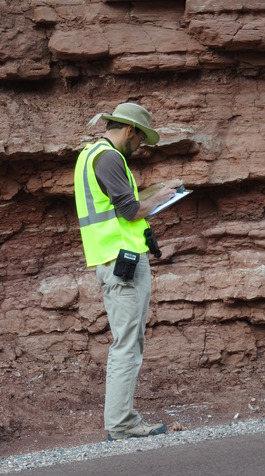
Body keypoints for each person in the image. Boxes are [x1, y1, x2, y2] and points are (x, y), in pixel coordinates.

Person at [74, 102, 183, 441]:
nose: (140, 147)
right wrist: (162, 197)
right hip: (123, 264)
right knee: (127, 345)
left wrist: (151, 193)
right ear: (130, 130)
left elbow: (117, 207)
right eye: (141, 140)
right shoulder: (110, 157)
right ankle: (121, 424)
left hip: (111, 259)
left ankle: (121, 421)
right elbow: (131, 210)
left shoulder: (89, 155)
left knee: (128, 341)